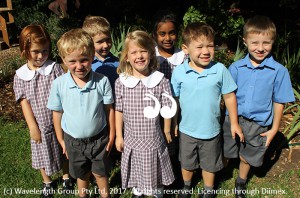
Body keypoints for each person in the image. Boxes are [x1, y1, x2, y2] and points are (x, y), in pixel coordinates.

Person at [222, 15, 295, 198]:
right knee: (227, 148)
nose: (260, 48)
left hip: (258, 124)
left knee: (248, 155)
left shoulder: (279, 71)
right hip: (233, 118)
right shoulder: (236, 68)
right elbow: (228, 95)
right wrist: (230, 120)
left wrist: (275, 128)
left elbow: (279, 101)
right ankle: (221, 173)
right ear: (245, 41)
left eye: (266, 43)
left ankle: (241, 180)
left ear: (273, 42)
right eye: (254, 43)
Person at [171, 22, 243, 198]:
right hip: (187, 129)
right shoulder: (179, 72)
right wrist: (173, 123)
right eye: (200, 47)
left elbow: (229, 96)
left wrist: (234, 122)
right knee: (187, 162)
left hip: (211, 130)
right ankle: (187, 186)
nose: (206, 51)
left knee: (209, 164)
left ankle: (208, 190)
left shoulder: (219, 70)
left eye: (210, 46)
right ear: (186, 49)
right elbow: (175, 100)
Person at [47, 28, 115, 198]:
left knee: (100, 173)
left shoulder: (102, 81)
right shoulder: (59, 84)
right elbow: (57, 113)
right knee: (81, 174)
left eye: (84, 60)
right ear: (63, 59)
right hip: (73, 140)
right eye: (73, 61)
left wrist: (112, 133)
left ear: (92, 56)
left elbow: (109, 109)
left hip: (99, 138)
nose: (79, 66)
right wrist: (61, 140)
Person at [13, 24, 72, 198]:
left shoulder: (53, 68)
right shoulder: (20, 76)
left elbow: (64, 91)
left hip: (59, 120)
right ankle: (47, 181)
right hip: (39, 122)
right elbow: (24, 102)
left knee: (63, 149)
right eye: (36, 51)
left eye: (45, 51)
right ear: (25, 50)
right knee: (40, 151)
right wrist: (32, 126)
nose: (41, 56)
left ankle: (66, 177)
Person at [115, 30, 175, 198]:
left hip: (153, 135)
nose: (139, 56)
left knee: (154, 163)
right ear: (127, 57)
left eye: (143, 51)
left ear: (151, 53)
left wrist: (168, 129)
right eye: (134, 52)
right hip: (132, 137)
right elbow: (118, 110)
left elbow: (168, 108)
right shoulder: (121, 82)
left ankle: (157, 191)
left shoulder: (161, 81)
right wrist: (119, 136)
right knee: (136, 164)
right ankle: (138, 190)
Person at [152, 9, 187, 189]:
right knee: (159, 138)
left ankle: (175, 173)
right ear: (155, 35)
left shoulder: (183, 57)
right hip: (157, 105)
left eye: (172, 33)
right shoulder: (152, 57)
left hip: (179, 104)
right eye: (162, 34)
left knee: (175, 138)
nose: (167, 38)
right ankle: (158, 173)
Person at [82, 15, 119, 92]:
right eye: (100, 42)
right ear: (89, 42)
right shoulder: (87, 64)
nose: (105, 45)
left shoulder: (118, 63)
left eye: (108, 40)